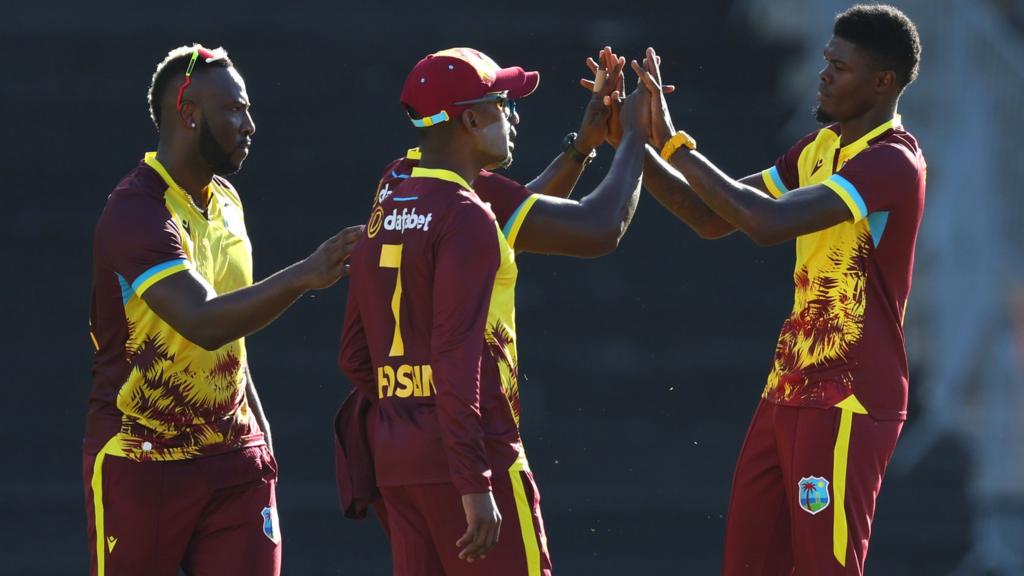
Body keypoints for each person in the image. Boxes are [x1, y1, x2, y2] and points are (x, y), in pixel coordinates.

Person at [628, 5, 925, 574]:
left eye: (840, 66)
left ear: (882, 82)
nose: (824, 74)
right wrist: (638, 145)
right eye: (825, 61)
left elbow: (764, 223)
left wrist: (676, 142)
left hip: (849, 399)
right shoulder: (817, 149)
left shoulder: (893, 162)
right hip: (786, 389)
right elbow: (713, 216)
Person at [337, 47, 650, 575]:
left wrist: (581, 150)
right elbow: (600, 228)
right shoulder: (466, 214)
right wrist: (639, 135)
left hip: (398, 456)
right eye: (503, 103)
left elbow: (354, 354)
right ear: (472, 118)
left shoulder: (396, 186)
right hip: (472, 451)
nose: (513, 116)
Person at [86, 44, 361, 575]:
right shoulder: (136, 211)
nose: (250, 124)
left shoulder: (229, 202)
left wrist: (261, 438)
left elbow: (231, 340)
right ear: (188, 114)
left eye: (248, 108)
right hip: (143, 458)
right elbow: (204, 321)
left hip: (235, 461)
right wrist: (307, 273)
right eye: (234, 109)